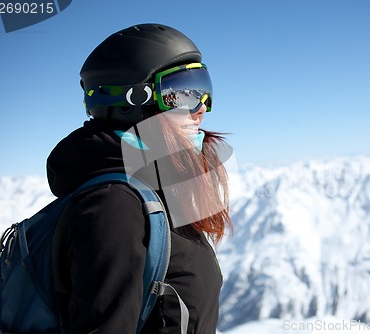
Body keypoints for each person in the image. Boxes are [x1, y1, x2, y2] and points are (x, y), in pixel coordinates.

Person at [46, 23, 232, 334]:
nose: (202, 108)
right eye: (182, 93)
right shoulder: (114, 205)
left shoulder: (160, 190)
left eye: (202, 88)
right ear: (132, 100)